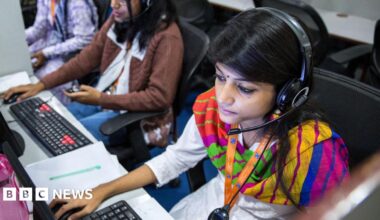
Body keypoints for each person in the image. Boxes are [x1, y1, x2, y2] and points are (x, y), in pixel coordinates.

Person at [53, 8, 353, 219]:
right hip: (219, 199)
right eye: (221, 77)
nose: (223, 97)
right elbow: (176, 158)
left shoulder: (312, 153)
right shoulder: (214, 109)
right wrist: (102, 191)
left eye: (245, 89)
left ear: (287, 92)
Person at [4, 0, 183, 145]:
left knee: (66, 137)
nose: (113, 4)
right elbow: (86, 58)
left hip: (136, 116)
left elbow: (159, 97)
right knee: (51, 121)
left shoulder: (167, 37)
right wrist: (40, 85)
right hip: (108, 98)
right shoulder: (121, 19)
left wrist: (100, 99)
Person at [26, 0, 99, 104]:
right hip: (56, 45)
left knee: (46, 76)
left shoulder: (78, 3)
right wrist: (16, 40)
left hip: (75, 53)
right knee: (26, 62)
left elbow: (85, 39)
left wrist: (47, 53)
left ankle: (62, 111)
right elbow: (39, 29)